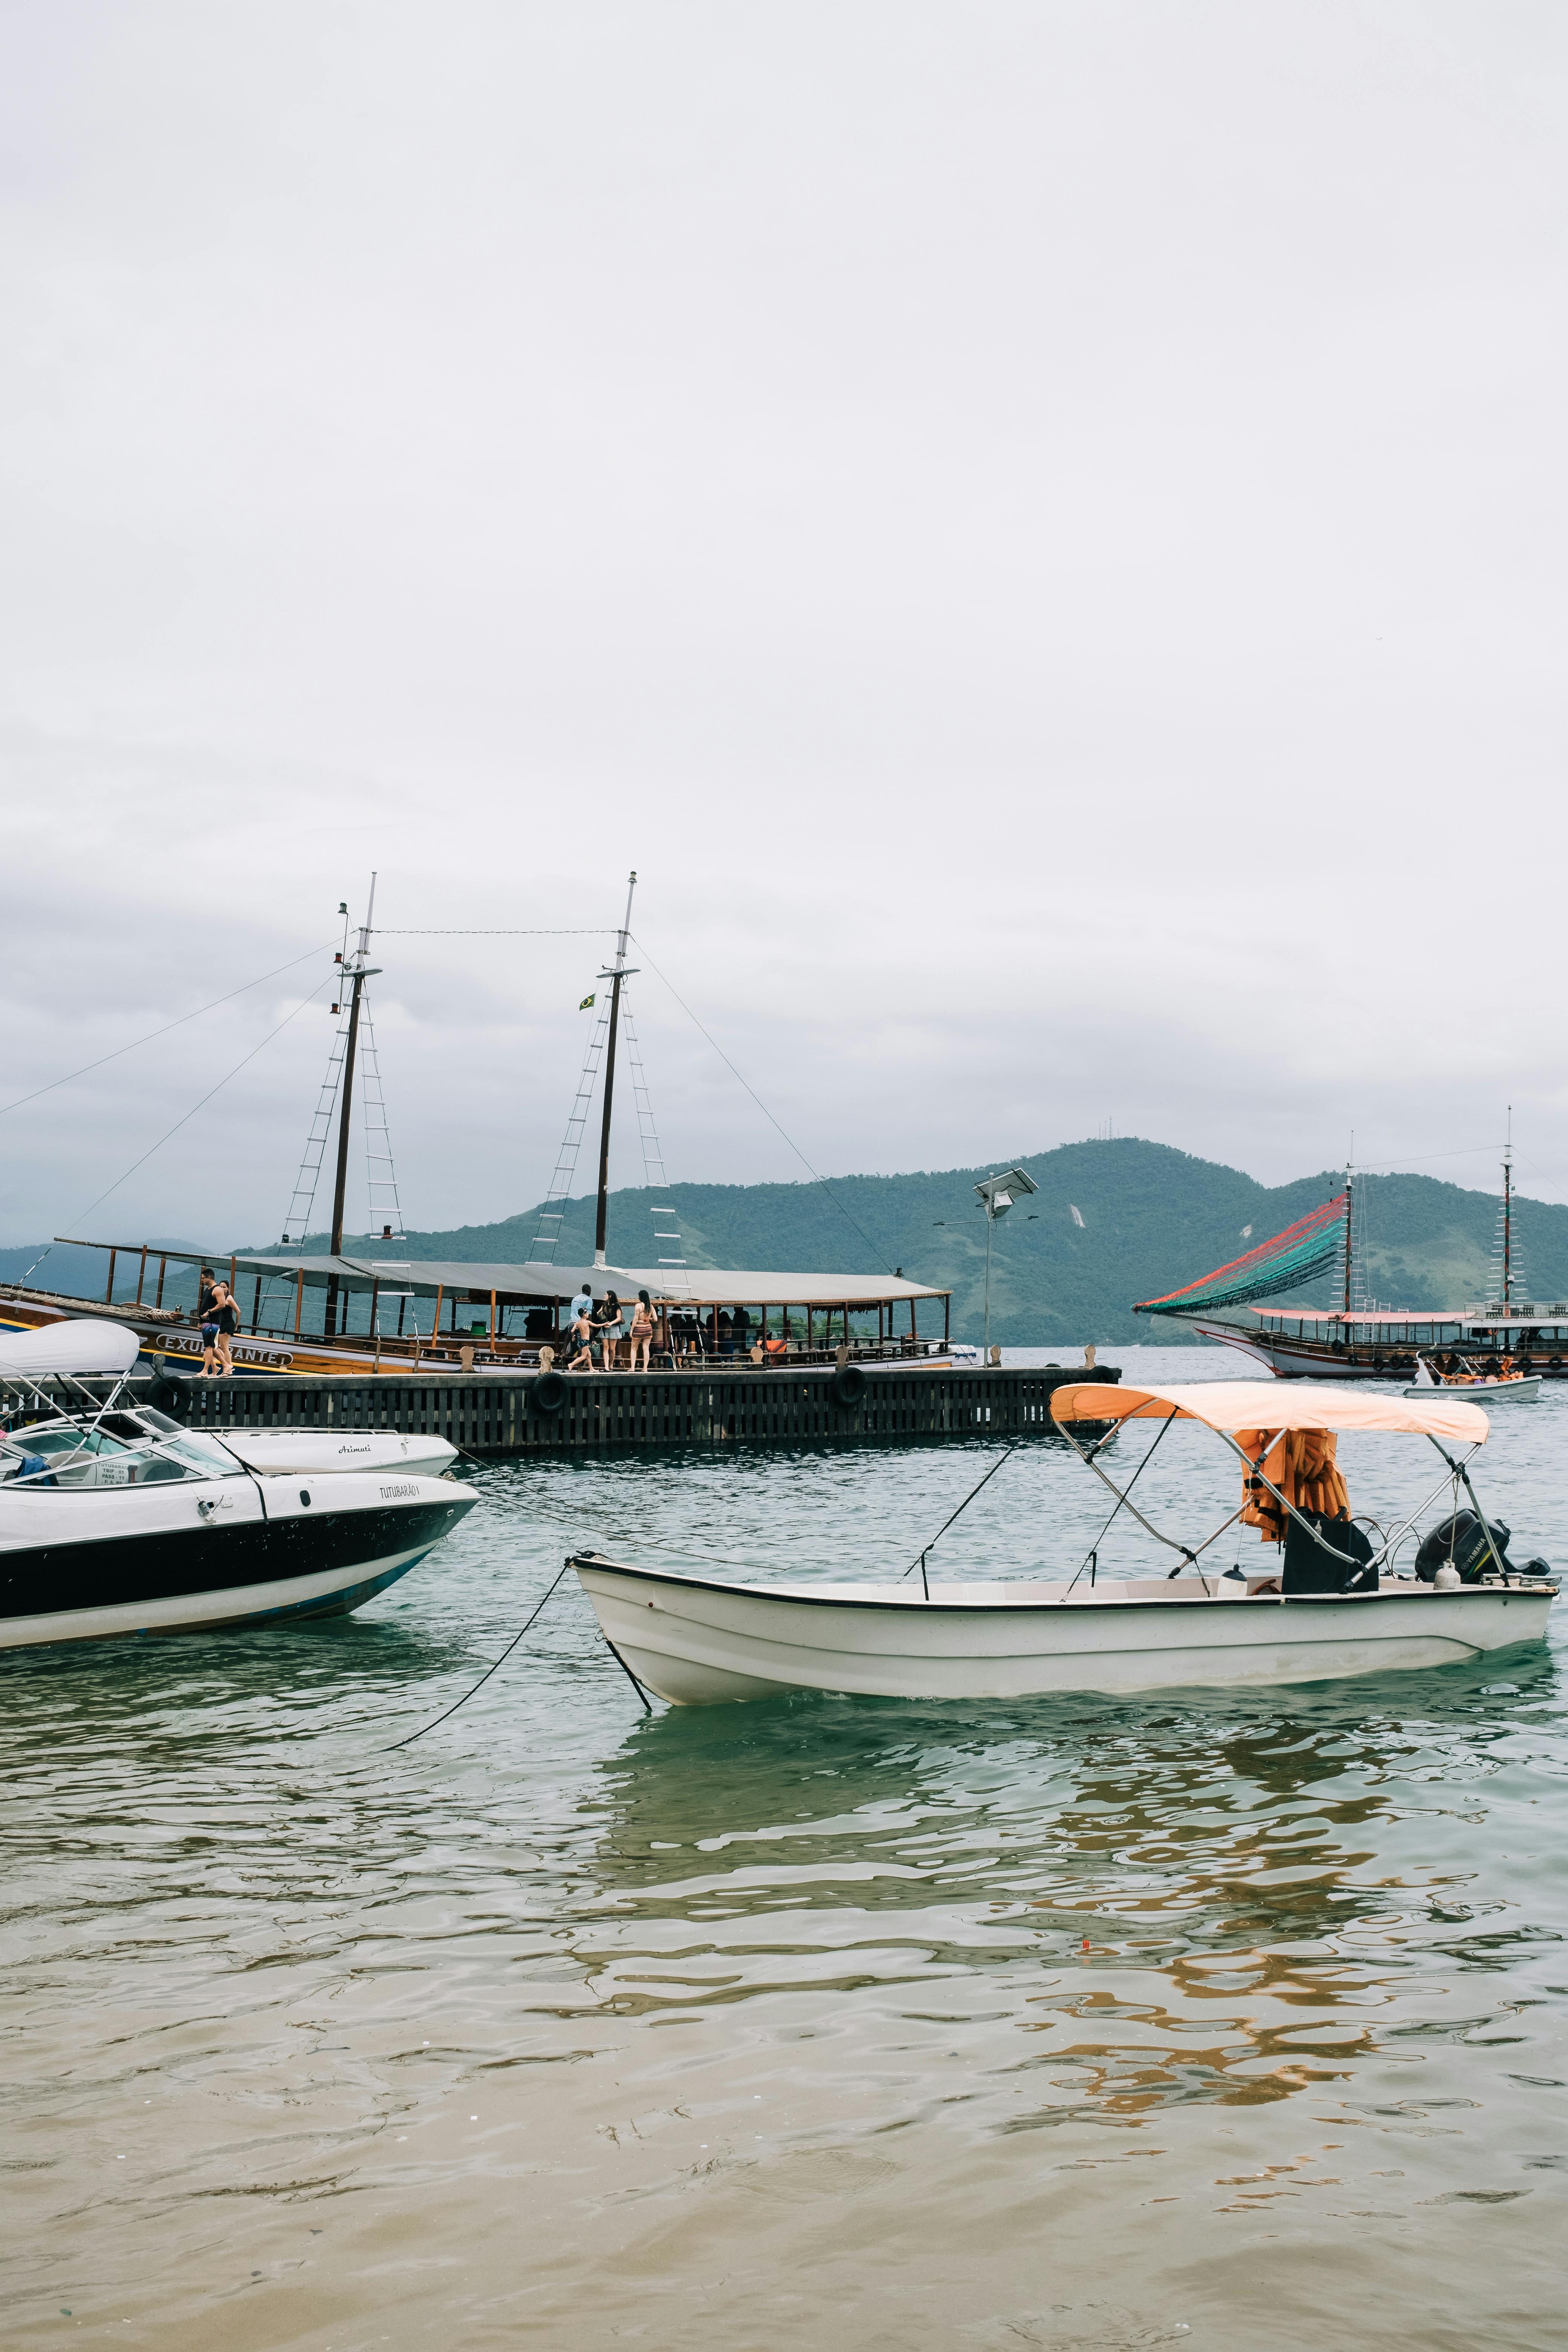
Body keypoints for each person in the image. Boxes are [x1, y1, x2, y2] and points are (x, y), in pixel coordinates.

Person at [208, 1278, 239, 1377]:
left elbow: (239, 1312)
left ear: (228, 1289)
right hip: (221, 1325)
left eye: (224, 1287)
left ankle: (228, 1369)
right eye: (220, 1287)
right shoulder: (219, 1298)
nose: (222, 1288)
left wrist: (236, 1326)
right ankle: (227, 1366)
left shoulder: (229, 1298)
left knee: (225, 1348)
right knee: (220, 1347)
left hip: (228, 1324)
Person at [197, 1268, 220, 1376]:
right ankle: (215, 1368)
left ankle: (205, 1371)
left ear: (209, 1277)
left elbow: (222, 1304)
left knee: (209, 1347)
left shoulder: (217, 1289)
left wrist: (209, 1312)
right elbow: (204, 1305)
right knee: (208, 1346)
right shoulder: (207, 1290)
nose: (202, 1280)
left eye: (203, 1278)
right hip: (206, 1322)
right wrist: (200, 1321)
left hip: (212, 1322)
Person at [594, 1289, 624, 1369]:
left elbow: (619, 1318)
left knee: (612, 1349)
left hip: (614, 1328)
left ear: (610, 1296)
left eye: (606, 1295)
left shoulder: (617, 1306)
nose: (604, 1296)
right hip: (605, 1328)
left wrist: (610, 1324)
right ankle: (606, 1366)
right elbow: (598, 1314)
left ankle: (611, 1365)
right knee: (606, 1348)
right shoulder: (604, 1305)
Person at [628, 1289, 654, 1372]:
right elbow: (656, 1319)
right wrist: (647, 1319)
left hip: (639, 1328)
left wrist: (632, 1330)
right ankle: (645, 1368)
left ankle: (633, 1368)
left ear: (640, 1297)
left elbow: (636, 1318)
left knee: (634, 1349)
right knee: (646, 1349)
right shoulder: (651, 1306)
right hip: (648, 1328)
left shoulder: (638, 1306)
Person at [565, 1305, 594, 1370]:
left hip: (581, 1341)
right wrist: (605, 1324)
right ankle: (571, 1364)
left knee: (589, 1355)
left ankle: (591, 1369)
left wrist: (573, 1336)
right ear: (584, 1315)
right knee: (584, 1357)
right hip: (585, 1341)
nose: (588, 1314)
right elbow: (597, 1326)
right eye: (587, 1313)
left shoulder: (578, 1323)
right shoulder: (587, 1322)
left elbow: (572, 1331)